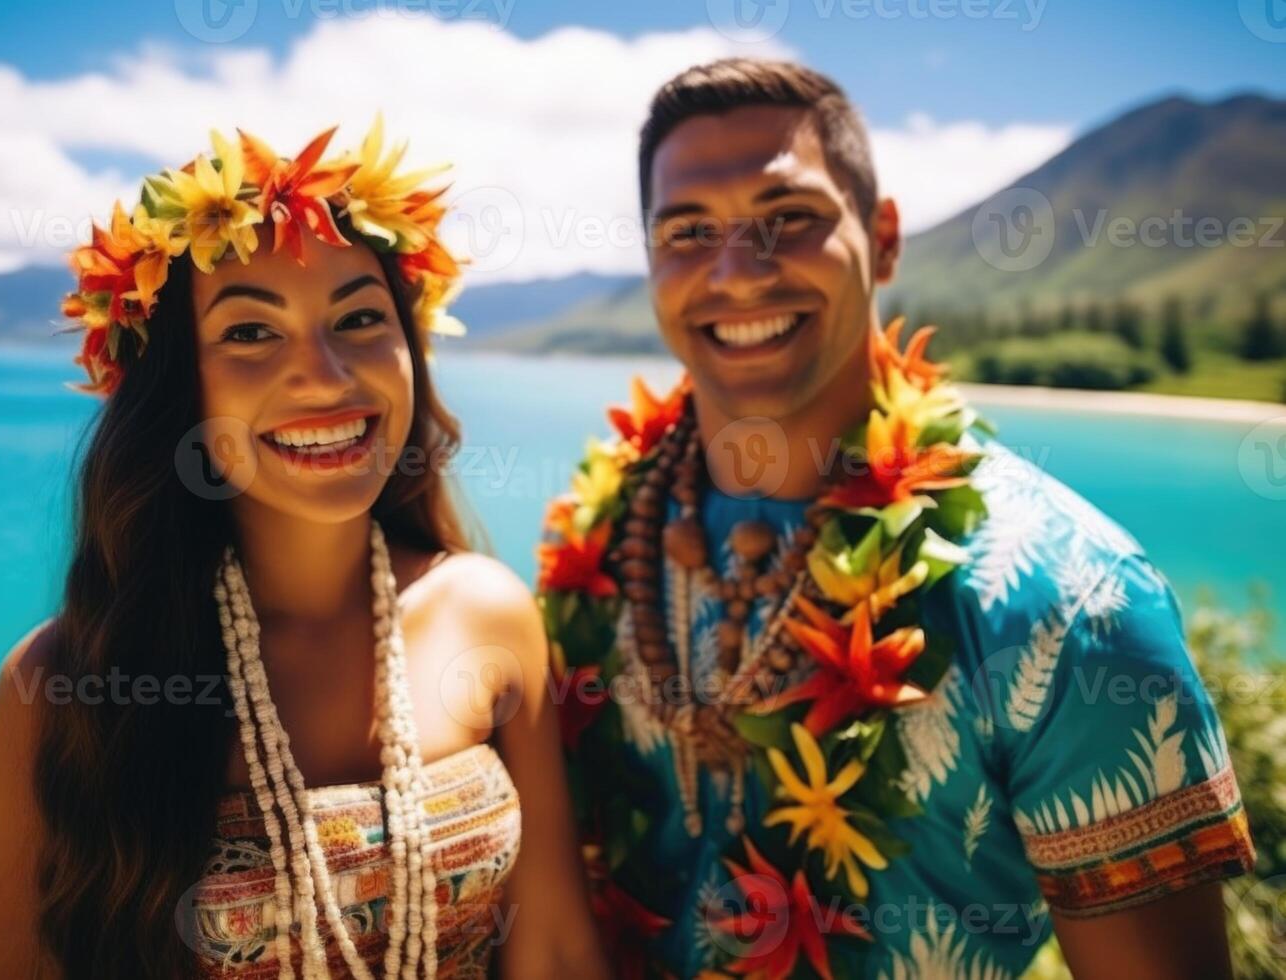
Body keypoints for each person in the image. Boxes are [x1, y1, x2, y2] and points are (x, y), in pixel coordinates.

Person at [538, 59, 1255, 979]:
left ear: (882, 238)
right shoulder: (596, 549)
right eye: (688, 231)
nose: (736, 272)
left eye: (787, 219)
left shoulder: (1071, 597)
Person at [0, 119, 608, 980]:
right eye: (249, 332)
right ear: (176, 389)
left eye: (357, 318)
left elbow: (559, 955)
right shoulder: (60, 687)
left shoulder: (487, 615)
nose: (325, 375)